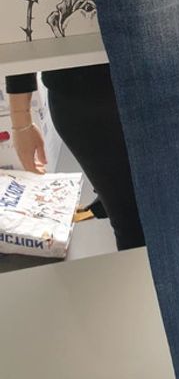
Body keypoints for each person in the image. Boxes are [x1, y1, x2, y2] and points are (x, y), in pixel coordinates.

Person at [5, 64, 145, 250]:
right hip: (85, 94)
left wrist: (21, 120)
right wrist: (20, 119)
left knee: (157, 218)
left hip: (165, 77)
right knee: (133, 225)